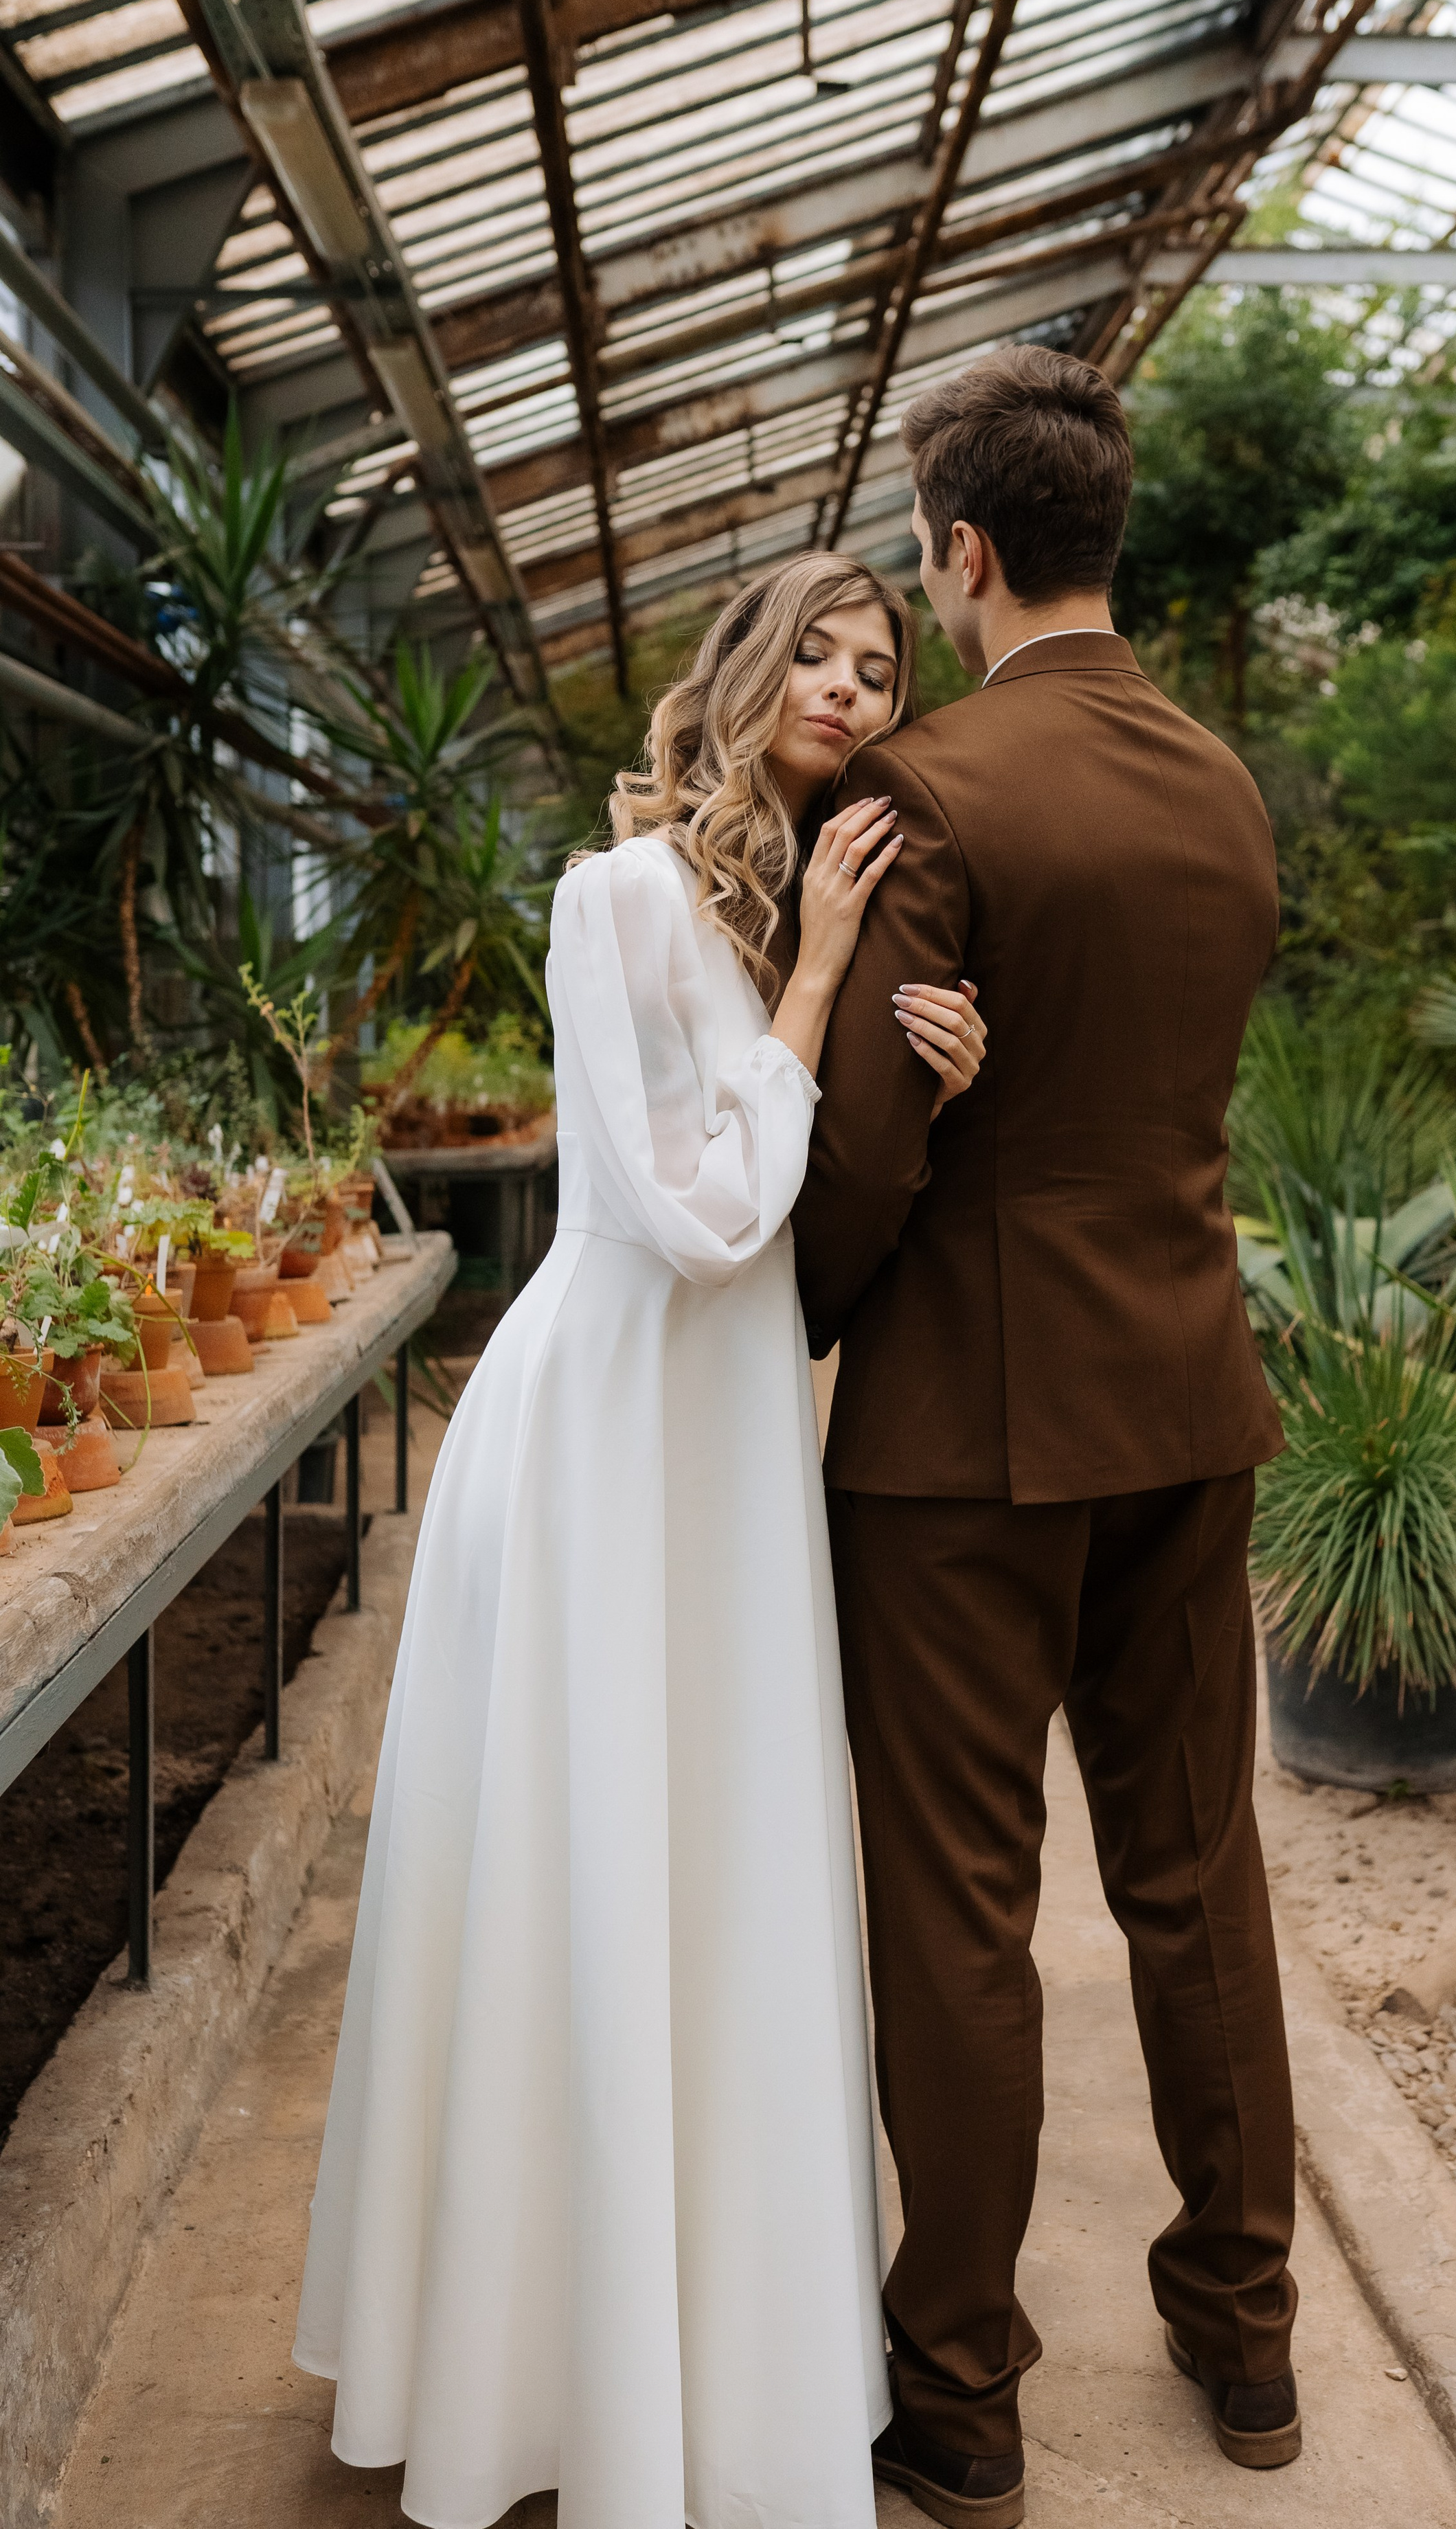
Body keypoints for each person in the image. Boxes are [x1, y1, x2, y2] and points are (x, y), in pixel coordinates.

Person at [292, 552, 987, 2529]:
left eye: (882, 668)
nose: (854, 689)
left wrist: (918, 1079)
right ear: (751, 664)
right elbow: (699, 1214)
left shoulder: (762, 901)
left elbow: (809, 1183)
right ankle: (543, 2392)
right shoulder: (620, 896)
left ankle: (718, 2382)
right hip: (613, 1423)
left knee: (720, 1866)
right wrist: (828, 985)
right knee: (583, 1869)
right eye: (827, 658)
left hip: (728, 1428)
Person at [790, 344, 1297, 2529]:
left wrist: (779, 1313)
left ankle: (966, 2399)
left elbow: (871, 1163)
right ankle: (1247, 2331)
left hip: (962, 1446)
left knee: (961, 1911)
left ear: (964, 552)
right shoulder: (1224, 788)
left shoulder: (923, 792)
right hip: (1187, 1399)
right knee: (1195, 1876)